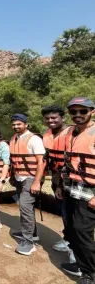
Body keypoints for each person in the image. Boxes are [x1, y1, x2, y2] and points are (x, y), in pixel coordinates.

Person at [59, 97, 95, 284]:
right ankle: (82, 265)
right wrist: (60, 186)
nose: (78, 115)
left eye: (83, 111)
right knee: (72, 229)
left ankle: (90, 273)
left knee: (82, 231)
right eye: (74, 112)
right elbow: (68, 163)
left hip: (90, 190)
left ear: (92, 111)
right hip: (71, 187)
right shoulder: (71, 133)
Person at [9, 113, 45, 256]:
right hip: (19, 177)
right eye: (14, 124)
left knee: (25, 207)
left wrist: (37, 181)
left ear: (26, 124)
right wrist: (13, 176)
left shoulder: (34, 139)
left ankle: (29, 242)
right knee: (26, 208)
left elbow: (41, 161)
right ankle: (33, 233)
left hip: (30, 177)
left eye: (19, 124)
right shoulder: (14, 138)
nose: (16, 126)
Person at [41, 105, 73, 254]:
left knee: (70, 211)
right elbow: (46, 157)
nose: (50, 121)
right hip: (55, 176)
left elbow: (71, 162)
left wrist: (61, 184)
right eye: (47, 118)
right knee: (63, 208)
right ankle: (69, 238)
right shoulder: (47, 135)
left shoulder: (73, 133)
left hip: (69, 178)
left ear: (62, 118)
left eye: (54, 118)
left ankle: (72, 243)